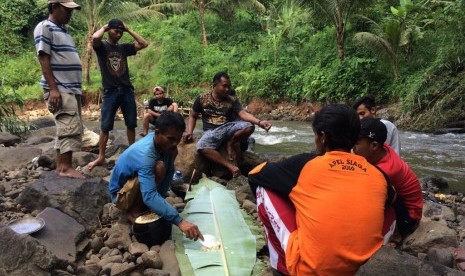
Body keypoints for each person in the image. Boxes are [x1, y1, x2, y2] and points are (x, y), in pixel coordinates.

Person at [248, 104, 392, 275]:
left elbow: (254, 174)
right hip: (362, 268)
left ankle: (281, 267)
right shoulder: (378, 174)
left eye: (315, 134)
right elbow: (392, 197)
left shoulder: (305, 164)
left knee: (264, 190)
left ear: (323, 137)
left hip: (311, 270)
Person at [109, 112, 203, 241]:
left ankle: (147, 205)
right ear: (157, 132)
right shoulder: (146, 154)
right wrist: (180, 221)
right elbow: (149, 195)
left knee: (166, 163)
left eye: (178, 139)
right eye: (171, 139)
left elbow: (169, 174)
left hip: (136, 185)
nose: (175, 143)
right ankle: (133, 212)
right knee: (159, 167)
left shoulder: (167, 146)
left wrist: (159, 201)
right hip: (121, 195)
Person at [182, 71, 272, 178]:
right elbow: (193, 116)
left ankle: (230, 143)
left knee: (249, 126)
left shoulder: (232, 100)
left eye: (229, 86)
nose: (227, 89)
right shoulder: (201, 99)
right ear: (214, 85)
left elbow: (242, 114)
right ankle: (230, 166)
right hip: (212, 131)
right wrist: (189, 132)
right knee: (201, 147)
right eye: (224, 86)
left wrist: (259, 122)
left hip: (229, 128)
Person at [87, 19, 149, 171]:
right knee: (105, 126)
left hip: (126, 89)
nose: (119, 34)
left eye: (121, 32)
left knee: (131, 124)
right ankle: (101, 157)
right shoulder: (102, 47)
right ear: (109, 31)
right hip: (110, 91)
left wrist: (128, 29)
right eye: (116, 31)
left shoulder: (124, 48)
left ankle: (132, 153)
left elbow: (143, 43)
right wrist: (105, 27)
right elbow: (95, 38)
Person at [34, 0, 84, 179]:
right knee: (68, 125)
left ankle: (61, 166)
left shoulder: (64, 31)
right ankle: (65, 167)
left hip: (70, 88)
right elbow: (44, 58)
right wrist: (53, 89)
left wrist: (78, 90)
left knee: (68, 126)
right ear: (55, 7)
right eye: (66, 10)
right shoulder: (44, 27)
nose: (70, 14)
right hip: (60, 87)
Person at [353, 117, 423, 243]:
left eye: (357, 143)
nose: (353, 147)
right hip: (402, 202)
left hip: (408, 217)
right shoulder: (383, 149)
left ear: (374, 146)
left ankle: (395, 233)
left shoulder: (385, 170)